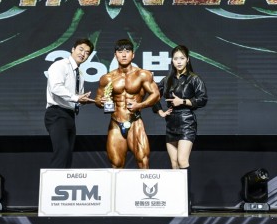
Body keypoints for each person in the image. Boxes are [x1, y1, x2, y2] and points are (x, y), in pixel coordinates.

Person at [94, 38, 160, 169]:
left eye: (127, 51)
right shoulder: (107, 78)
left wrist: (140, 105)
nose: (124, 55)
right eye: (120, 52)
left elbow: (156, 95)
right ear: (115, 55)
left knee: (143, 161)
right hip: (116, 123)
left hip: (135, 121)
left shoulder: (143, 74)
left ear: (133, 55)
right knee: (116, 164)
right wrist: (100, 102)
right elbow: (98, 99)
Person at [153, 45, 208, 173]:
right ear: (172, 60)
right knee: (174, 164)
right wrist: (160, 111)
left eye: (182, 58)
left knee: (182, 160)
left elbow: (203, 99)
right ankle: (178, 187)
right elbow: (153, 96)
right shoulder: (166, 80)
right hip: (171, 122)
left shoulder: (194, 79)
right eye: (176, 58)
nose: (179, 61)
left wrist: (183, 101)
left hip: (186, 122)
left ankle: (186, 187)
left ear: (187, 59)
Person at [44, 37, 94, 168]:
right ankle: (53, 180)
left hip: (70, 116)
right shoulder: (60, 65)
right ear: (73, 49)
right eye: (80, 49)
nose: (83, 54)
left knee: (67, 156)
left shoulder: (80, 74)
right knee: (62, 151)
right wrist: (77, 98)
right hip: (56, 113)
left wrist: (84, 100)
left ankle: (61, 180)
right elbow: (56, 88)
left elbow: (76, 98)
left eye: (87, 52)